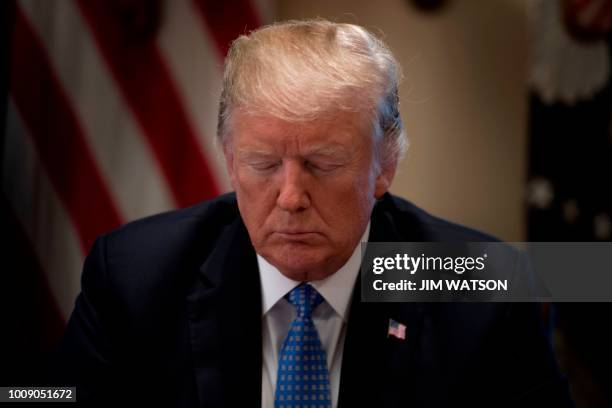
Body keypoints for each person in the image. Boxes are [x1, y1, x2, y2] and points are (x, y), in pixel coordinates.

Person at [49, 19, 573, 407]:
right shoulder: (137, 272)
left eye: (323, 164)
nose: (291, 196)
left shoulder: (481, 285)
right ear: (231, 163)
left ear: (385, 165)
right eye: (263, 164)